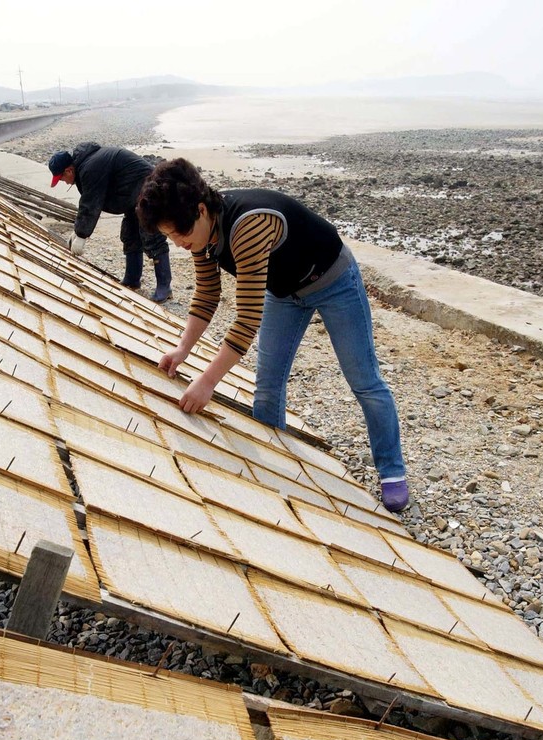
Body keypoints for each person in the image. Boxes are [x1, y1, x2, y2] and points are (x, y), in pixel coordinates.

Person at [136, 158, 409, 512]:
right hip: (284, 293)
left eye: (179, 234)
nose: (178, 244)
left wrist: (207, 382)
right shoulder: (202, 234)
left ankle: (391, 471)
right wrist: (181, 350)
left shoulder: (248, 224)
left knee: (364, 380)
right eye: (170, 236)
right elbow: (207, 296)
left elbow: (247, 320)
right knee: (267, 384)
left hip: (333, 282)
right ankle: (273, 464)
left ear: (200, 210)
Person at [48, 143, 173, 302]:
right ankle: (132, 279)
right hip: (132, 195)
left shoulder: (90, 168)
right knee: (130, 234)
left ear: (68, 170)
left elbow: (90, 203)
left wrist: (81, 234)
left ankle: (164, 287)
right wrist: (77, 230)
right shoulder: (87, 165)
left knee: (151, 236)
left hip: (149, 189)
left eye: (62, 179)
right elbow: (90, 200)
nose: (65, 182)